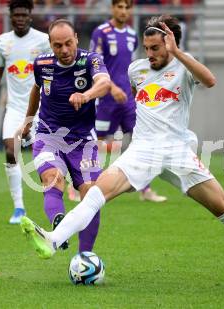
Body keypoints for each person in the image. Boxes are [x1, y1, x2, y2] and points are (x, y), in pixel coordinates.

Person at [19, 15, 224, 281]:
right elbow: (135, 99)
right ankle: (53, 239)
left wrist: (178, 54)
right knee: (96, 194)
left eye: (155, 48)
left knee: (223, 208)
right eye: (146, 47)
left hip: (178, 152)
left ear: (170, 44)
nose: (149, 53)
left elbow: (211, 81)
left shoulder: (184, 68)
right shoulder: (136, 70)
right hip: (142, 151)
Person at [19, 19, 111, 252]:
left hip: (83, 141)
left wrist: (87, 94)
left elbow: (105, 83)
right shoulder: (41, 64)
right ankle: (58, 226)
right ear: (50, 44)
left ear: (76, 39)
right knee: (52, 178)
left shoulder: (91, 60)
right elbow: (36, 90)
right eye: (58, 45)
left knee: (91, 195)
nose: (64, 50)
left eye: (68, 43)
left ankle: (85, 255)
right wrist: (27, 122)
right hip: (48, 135)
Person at [0, 0, 51, 224]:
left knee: (43, 156)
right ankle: (19, 208)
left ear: (30, 16)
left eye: (24, 14)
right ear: (11, 16)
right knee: (9, 149)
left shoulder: (43, 41)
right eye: (16, 15)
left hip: (40, 109)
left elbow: (55, 71)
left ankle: (52, 199)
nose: (20, 18)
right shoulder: (3, 42)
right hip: (15, 108)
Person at [89, 0, 167, 202]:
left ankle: (146, 190)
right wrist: (111, 87)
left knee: (141, 139)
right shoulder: (101, 32)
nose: (124, 11)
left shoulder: (133, 35)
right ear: (113, 8)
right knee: (95, 142)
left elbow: (133, 66)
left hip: (128, 98)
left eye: (127, 7)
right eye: (120, 7)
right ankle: (84, 184)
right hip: (106, 98)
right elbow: (94, 64)